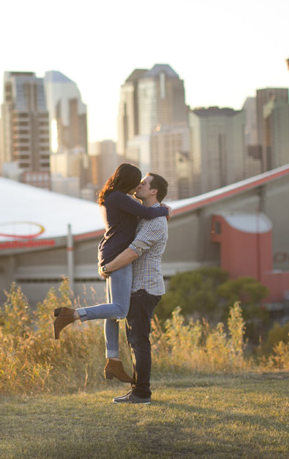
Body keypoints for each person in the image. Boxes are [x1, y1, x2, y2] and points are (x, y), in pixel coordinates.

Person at [52, 164, 170, 384]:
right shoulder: (118, 198)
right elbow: (147, 212)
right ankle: (72, 315)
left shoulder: (115, 197)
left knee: (114, 313)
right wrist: (165, 209)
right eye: (138, 181)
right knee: (120, 309)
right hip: (117, 257)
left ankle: (113, 361)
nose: (138, 185)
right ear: (128, 180)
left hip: (111, 254)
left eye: (142, 183)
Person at [100, 172, 169, 404]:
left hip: (144, 288)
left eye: (144, 183)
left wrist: (107, 267)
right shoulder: (145, 216)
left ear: (153, 191)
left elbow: (132, 253)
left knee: (139, 341)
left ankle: (142, 393)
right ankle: (138, 391)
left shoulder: (155, 222)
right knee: (135, 340)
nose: (138, 186)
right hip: (137, 288)